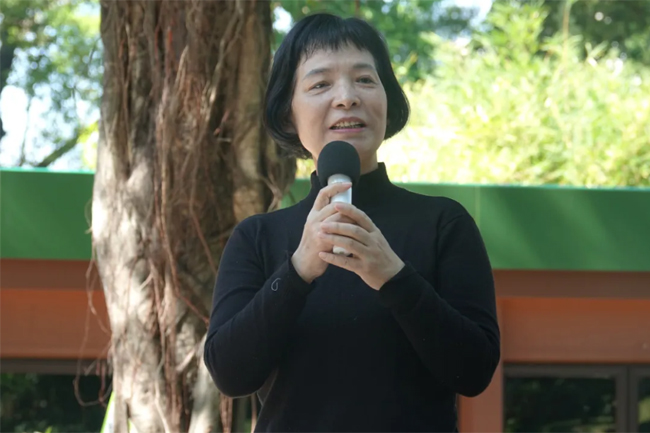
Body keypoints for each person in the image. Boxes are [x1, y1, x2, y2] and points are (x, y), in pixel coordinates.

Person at [204, 13, 500, 432]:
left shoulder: (444, 223)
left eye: (364, 79)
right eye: (320, 84)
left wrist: (393, 276)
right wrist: (298, 270)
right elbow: (231, 374)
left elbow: (474, 371)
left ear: (387, 101)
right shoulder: (257, 237)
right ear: (288, 114)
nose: (346, 98)